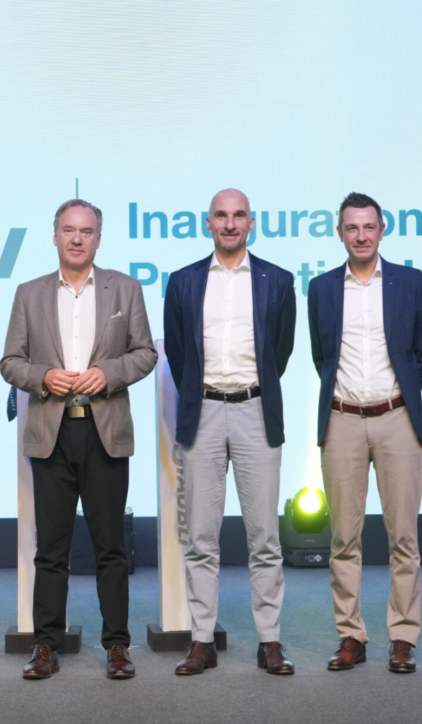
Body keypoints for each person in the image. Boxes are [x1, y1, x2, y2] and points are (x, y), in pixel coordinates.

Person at [1, 199, 157, 680]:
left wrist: (107, 373)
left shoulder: (125, 288)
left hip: (104, 431)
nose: (76, 238)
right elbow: (10, 362)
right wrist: (43, 377)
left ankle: (117, 646)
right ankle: (46, 644)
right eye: (68, 230)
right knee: (51, 549)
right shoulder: (28, 293)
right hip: (51, 432)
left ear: (98, 239)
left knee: (111, 548)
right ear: (54, 236)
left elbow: (145, 353)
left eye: (86, 231)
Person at [163, 188, 297, 676]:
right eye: (221, 215)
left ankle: (269, 641)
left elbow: (280, 351)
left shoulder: (277, 280)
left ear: (251, 223)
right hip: (202, 412)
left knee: (265, 538)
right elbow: (178, 353)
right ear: (208, 223)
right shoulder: (183, 281)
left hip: (256, 411)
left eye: (239, 215)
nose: (230, 223)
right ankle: (202, 640)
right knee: (201, 537)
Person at [307, 192, 422, 674]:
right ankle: (351, 636)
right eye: (352, 228)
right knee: (343, 538)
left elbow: (420, 353)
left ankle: (402, 638)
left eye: (368, 227)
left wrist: (396, 399)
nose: (361, 236)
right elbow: (321, 356)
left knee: (404, 537)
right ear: (340, 233)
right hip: (341, 418)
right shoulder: (321, 287)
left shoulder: (411, 282)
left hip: (397, 417)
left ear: (382, 230)